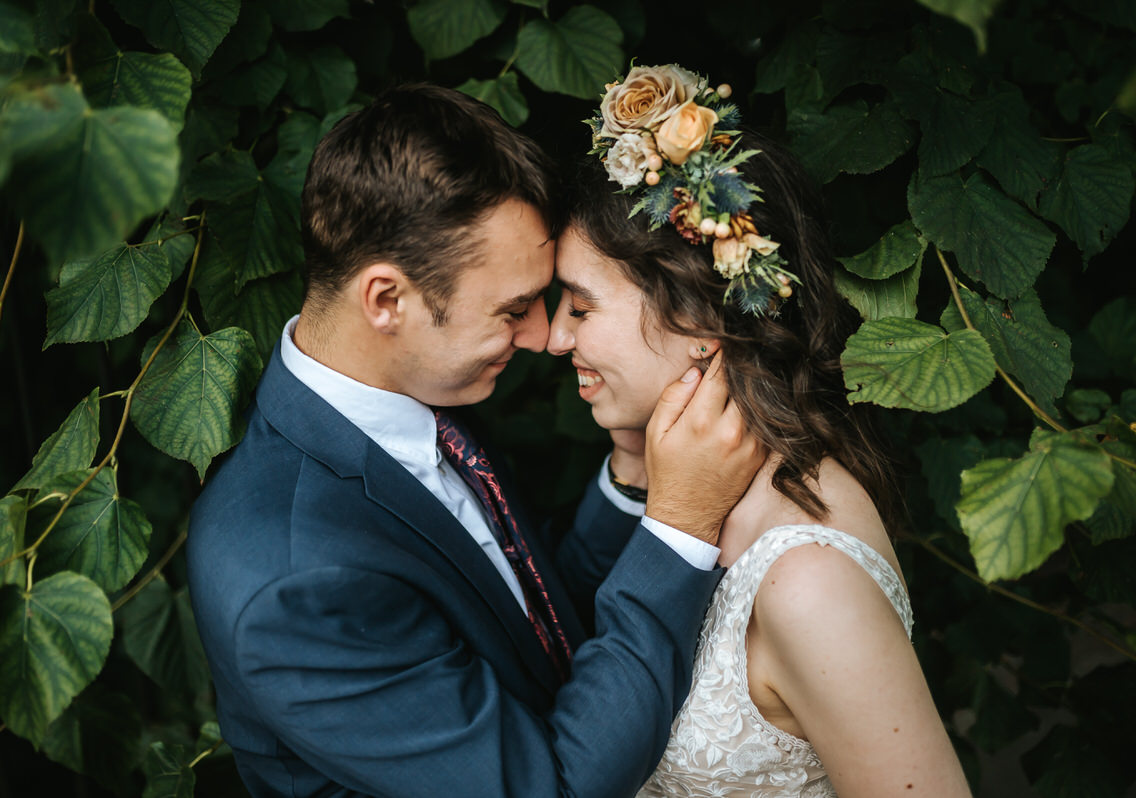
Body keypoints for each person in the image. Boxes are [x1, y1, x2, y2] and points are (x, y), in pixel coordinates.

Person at [186, 83, 765, 798]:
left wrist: (635, 474)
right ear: (387, 300)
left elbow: (528, 627)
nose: (540, 337)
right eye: (513, 309)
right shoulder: (294, 578)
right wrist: (682, 527)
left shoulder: (416, 391)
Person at [546, 64, 972, 797]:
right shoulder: (686, 480)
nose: (555, 339)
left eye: (580, 308)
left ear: (700, 322)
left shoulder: (809, 580)